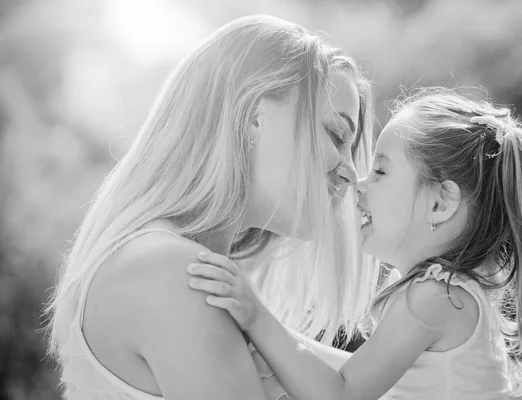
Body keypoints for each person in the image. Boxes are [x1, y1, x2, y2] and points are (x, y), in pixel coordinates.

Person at [44, 15, 380, 399]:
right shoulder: (177, 274)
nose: (352, 173)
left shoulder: (192, 272)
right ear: (254, 117)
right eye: (337, 135)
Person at [188, 87, 522, 399]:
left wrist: (258, 319)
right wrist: (273, 346)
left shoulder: (434, 296)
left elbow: (341, 392)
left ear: (440, 203)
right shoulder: (448, 292)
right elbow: (357, 373)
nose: (359, 185)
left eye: (380, 171)